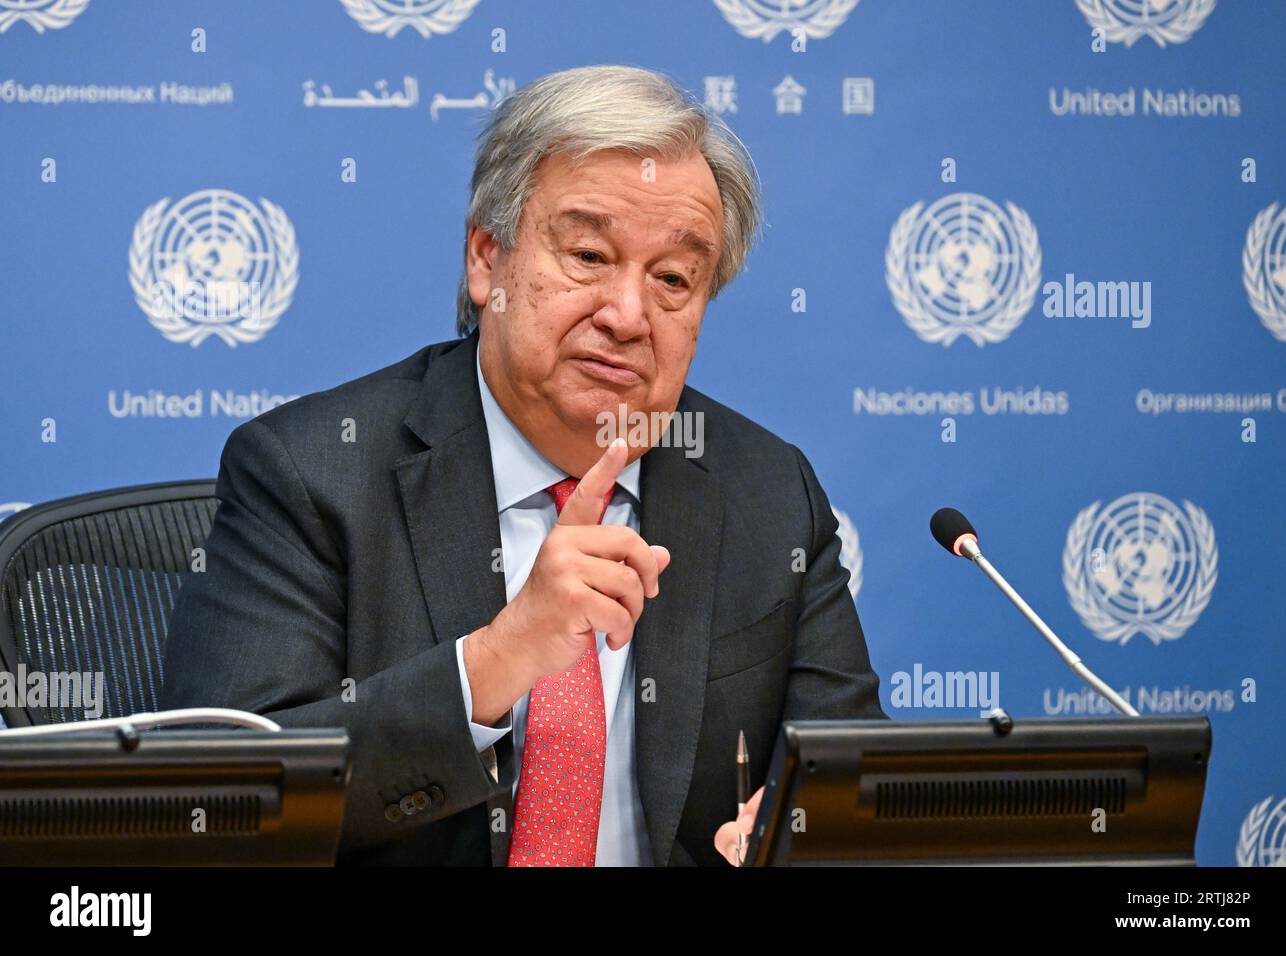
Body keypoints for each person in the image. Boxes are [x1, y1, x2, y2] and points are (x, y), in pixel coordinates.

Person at [162, 64, 886, 866]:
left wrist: (803, 827)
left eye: (674, 279)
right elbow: (220, 801)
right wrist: (497, 661)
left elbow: (849, 780)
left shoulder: (767, 491)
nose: (627, 314)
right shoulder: (309, 474)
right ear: (486, 260)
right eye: (587, 255)